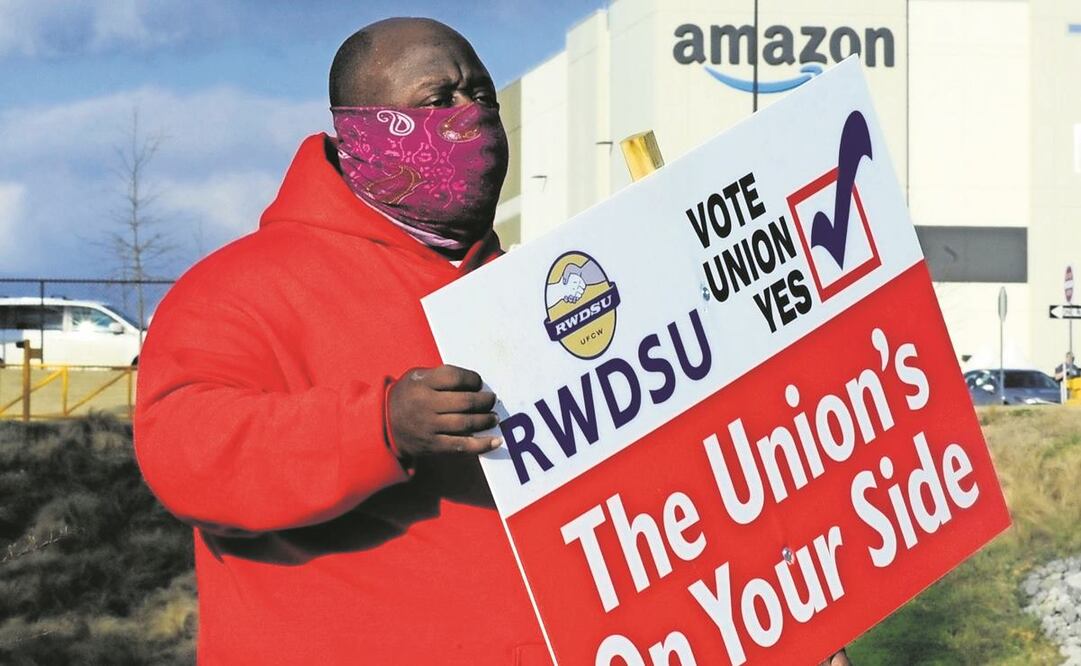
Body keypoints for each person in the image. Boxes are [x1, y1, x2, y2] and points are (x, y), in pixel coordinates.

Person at [134, 17, 851, 665]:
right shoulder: (238, 288)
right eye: (437, 98)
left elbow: (651, 508)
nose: (470, 115)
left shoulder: (530, 294)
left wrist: (785, 621)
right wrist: (378, 426)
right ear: (358, 128)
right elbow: (185, 453)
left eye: (483, 97)